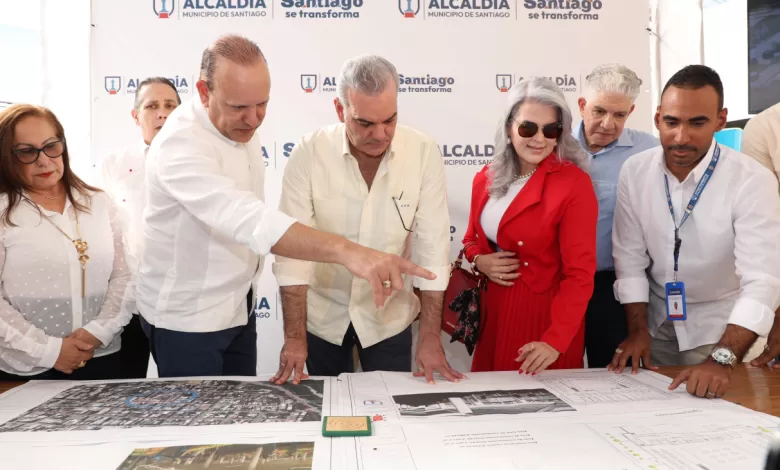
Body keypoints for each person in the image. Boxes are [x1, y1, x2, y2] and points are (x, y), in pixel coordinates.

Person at [138, 35, 435, 378]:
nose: (253, 119)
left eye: (261, 104)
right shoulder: (179, 146)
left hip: (238, 309)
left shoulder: (238, 122)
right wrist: (350, 251)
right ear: (205, 92)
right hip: (187, 320)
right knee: (197, 428)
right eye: (239, 108)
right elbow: (249, 220)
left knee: (238, 423)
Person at [270, 55, 461, 385]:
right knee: (324, 415)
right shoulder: (309, 152)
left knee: (393, 418)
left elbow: (432, 249)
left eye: (390, 120)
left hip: (388, 318)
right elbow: (292, 253)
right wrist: (295, 337)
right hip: (321, 319)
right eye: (365, 123)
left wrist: (430, 337)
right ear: (339, 109)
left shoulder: (423, 152)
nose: (380, 134)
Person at [610, 65, 780, 398]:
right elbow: (628, 257)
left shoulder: (752, 180)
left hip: (722, 330)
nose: (681, 136)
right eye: (672, 122)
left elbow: (762, 280)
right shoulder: (635, 170)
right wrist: (637, 330)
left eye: (697, 123)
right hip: (656, 324)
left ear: (720, 120)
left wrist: (722, 358)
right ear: (658, 118)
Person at [462, 78, 598, 374]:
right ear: (509, 127)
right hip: (493, 310)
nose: (539, 138)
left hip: (542, 315)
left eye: (551, 129)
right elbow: (471, 238)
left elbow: (580, 274)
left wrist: (556, 340)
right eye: (528, 128)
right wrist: (479, 260)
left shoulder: (574, 184)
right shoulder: (487, 177)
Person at [0, 104, 132, 380]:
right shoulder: (3, 213)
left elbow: (125, 275)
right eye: (26, 152)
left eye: (51, 146)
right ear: (6, 157)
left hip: (102, 356)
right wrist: (51, 350)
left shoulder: (99, 203)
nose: (43, 160)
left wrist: (98, 331)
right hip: (28, 366)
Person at [575, 64, 659, 368]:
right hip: (560, 283)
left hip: (614, 288)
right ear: (582, 105)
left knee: (613, 375)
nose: (608, 124)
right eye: (599, 111)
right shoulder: (553, 145)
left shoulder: (650, 151)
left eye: (620, 115)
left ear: (631, 111)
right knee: (552, 375)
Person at [97, 77, 181, 379]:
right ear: (136, 116)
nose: (162, 113)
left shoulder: (199, 162)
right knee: (123, 390)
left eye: (170, 105)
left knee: (184, 389)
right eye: (152, 106)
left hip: (178, 300)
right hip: (128, 300)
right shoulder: (114, 164)